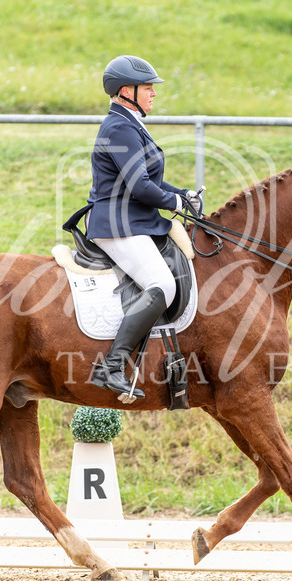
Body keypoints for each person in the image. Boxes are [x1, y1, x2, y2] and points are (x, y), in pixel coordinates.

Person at [86, 55, 201, 400]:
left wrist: (183, 195)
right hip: (116, 223)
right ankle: (112, 365)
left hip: (134, 218)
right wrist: (176, 204)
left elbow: (149, 180)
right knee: (161, 283)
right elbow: (140, 186)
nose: (154, 94)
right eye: (148, 88)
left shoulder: (129, 121)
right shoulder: (120, 127)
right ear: (126, 91)